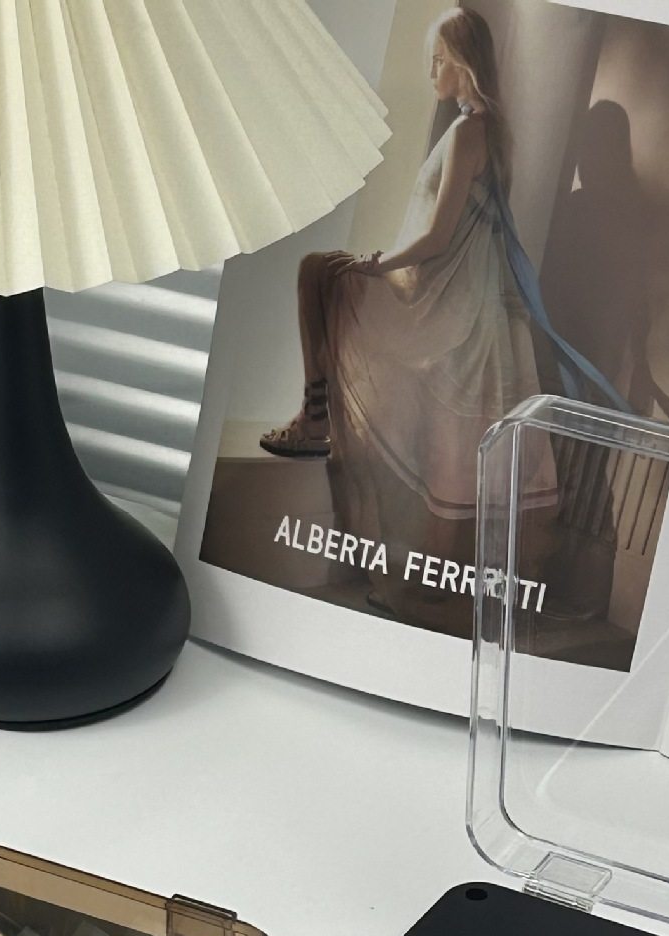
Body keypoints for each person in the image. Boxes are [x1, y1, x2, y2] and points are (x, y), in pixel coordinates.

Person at [260, 9, 618, 603]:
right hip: (454, 297)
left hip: (442, 305)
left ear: (464, 64)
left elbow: (438, 235)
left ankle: (315, 416)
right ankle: (317, 414)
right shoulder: (488, 131)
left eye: (438, 61)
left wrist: (380, 263)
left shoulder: (470, 131)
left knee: (318, 269)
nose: (431, 72)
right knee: (320, 271)